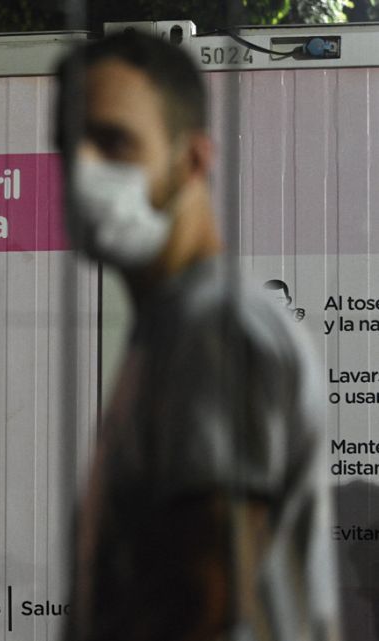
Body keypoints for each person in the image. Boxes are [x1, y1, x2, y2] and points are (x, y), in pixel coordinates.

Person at [55, 32, 338, 641]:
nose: (83, 172)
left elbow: (205, 601)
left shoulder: (210, 328)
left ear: (194, 159)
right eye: (67, 148)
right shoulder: (174, 327)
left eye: (113, 141)